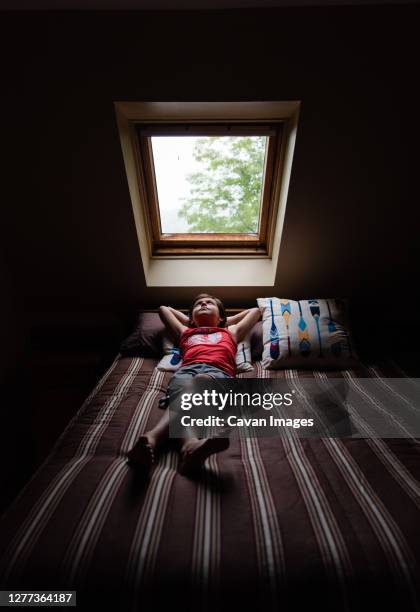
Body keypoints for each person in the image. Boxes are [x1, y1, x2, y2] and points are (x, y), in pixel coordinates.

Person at [127, 294, 261, 475]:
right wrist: (189, 319)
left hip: (219, 375)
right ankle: (189, 448)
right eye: (198, 304)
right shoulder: (185, 332)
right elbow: (163, 310)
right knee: (185, 399)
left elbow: (255, 311)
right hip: (186, 372)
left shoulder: (231, 332)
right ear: (190, 318)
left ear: (222, 317)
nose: (203, 304)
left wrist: (224, 320)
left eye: (209, 303)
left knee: (198, 384)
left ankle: (153, 436)